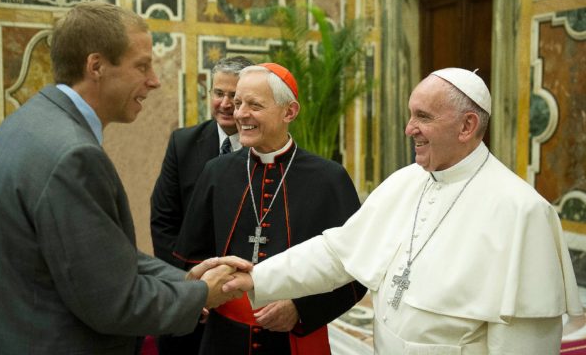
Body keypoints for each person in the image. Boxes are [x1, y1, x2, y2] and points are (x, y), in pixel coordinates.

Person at [224, 68, 583, 354]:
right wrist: (257, 277)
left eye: (422, 117)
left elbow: (524, 343)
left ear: (467, 126)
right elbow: (336, 253)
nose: (409, 128)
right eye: (411, 115)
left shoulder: (523, 211)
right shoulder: (405, 181)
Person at [0, 1, 251, 355]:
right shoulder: (73, 156)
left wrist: (183, 279)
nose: (154, 81)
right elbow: (115, 302)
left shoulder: (27, 121)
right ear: (96, 66)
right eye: (141, 66)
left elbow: (101, 255)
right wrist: (202, 294)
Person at [173, 63, 367, 354]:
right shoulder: (216, 172)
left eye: (254, 105)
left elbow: (356, 268)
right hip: (223, 340)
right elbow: (190, 256)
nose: (240, 114)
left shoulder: (328, 179)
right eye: (238, 103)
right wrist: (197, 295)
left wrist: (301, 309)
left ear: (289, 112)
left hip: (293, 340)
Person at [150, 55, 254, 354]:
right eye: (218, 93)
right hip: (190, 288)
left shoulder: (264, 150)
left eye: (233, 96)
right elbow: (164, 221)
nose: (224, 103)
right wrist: (190, 287)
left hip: (244, 294)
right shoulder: (182, 143)